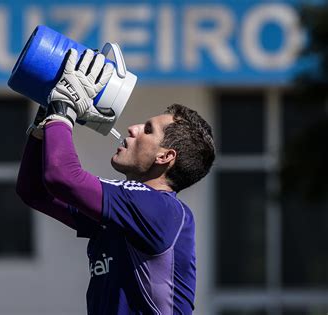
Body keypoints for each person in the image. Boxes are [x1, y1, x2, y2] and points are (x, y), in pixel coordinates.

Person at [16, 48, 215, 314]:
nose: (133, 128)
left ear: (165, 156)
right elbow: (35, 191)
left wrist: (63, 110)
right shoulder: (128, 210)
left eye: (147, 130)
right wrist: (46, 123)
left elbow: (62, 176)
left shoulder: (160, 208)